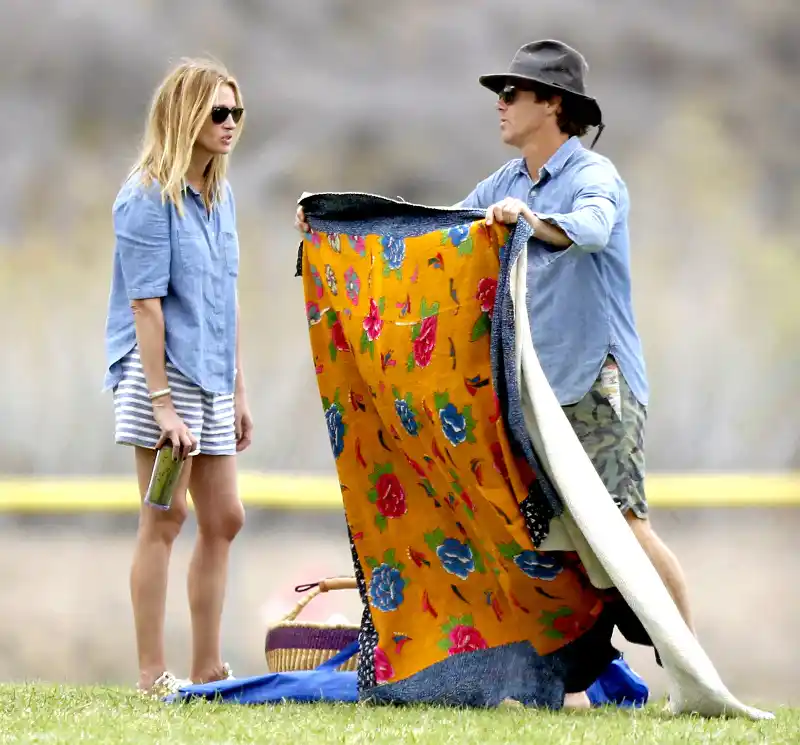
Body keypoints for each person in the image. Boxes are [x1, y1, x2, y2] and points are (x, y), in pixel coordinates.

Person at [295, 39, 694, 708]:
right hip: (530, 395)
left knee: (624, 526)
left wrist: (531, 223)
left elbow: (592, 228)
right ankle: (564, 684)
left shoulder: (595, 175)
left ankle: (692, 670)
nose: (500, 105)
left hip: (598, 384)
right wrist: (337, 223)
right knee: (554, 547)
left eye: (513, 94)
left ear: (553, 105)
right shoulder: (502, 184)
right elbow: (432, 232)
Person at [103, 57, 253, 697]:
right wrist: (164, 407)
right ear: (185, 115)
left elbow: (227, 300)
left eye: (236, 112)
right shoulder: (145, 195)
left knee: (225, 518)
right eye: (218, 112)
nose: (229, 124)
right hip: (159, 378)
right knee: (164, 518)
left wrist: (240, 391)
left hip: (213, 378)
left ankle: (208, 668)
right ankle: (150, 676)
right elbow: (145, 305)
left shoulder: (220, 196)